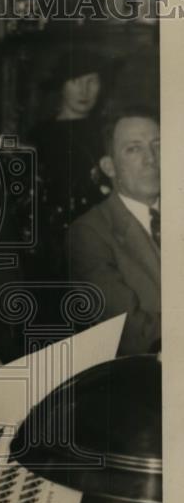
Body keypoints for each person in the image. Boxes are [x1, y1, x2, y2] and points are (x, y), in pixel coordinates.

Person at [68, 105, 160, 356]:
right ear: (109, 167)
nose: (151, 158)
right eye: (134, 149)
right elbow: (130, 333)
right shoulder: (88, 233)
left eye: (158, 145)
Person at [27, 47, 110, 282]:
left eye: (91, 81)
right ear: (62, 86)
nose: (84, 90)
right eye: (75, 81)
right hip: (52, 244)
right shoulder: (38, 136)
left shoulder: (108, 132)